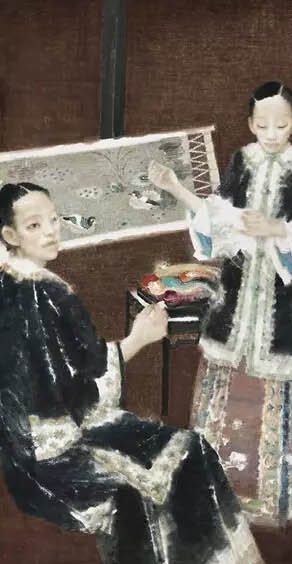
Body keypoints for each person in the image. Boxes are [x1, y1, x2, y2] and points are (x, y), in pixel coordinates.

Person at [0, 182, 263, 564]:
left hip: (22, 452)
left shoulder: (9, 282)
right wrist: (139, 338)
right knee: (188, 454)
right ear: (10, 235)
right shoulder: (50, 294)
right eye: (35, 226)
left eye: (54, 220)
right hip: (57, 450)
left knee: (180, 455)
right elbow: (82, 383)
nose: (51, 231)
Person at [150, 81, 292, 527]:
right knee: (227, 394)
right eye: (262, 124)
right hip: (237, 301)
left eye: (280, 124)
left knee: (277, 393)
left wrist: (277, 231)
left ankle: (275, 497)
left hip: (285, 304)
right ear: (250, 123)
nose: (271, 133)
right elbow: (219, 220)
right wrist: (177, 188)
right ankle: (216, 495)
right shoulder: (242, 160)